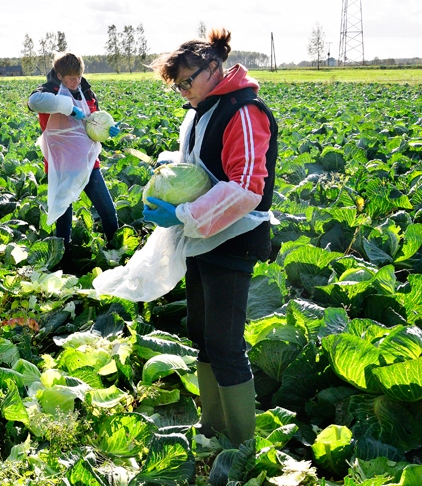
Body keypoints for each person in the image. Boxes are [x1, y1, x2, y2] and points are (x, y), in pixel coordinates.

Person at [146, 28, 278, 447]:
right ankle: (213, 428)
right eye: (178, 85)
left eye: (187, 81)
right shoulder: (204, 107)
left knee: (225, 344)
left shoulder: (243, 109)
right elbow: (199, 164)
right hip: (203, 237)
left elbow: (246, 187)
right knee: (202, 334)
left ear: (214, 68)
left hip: (235, 238)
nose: (184, 91)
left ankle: (241, 446)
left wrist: (182, 211)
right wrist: (164, 174)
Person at [27, 52, 120, 264]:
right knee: (63, 215)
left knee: (107, 209)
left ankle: (116, 252)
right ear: (59, 75)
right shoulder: (47, 91)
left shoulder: (86, 92)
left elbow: (92, 122)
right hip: (61, 165)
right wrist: (69, 108)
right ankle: (63, 260)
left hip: (88, 162)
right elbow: (33, 102)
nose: (76, 81)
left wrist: (108, 129)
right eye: (71, 78)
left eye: (78, 76)